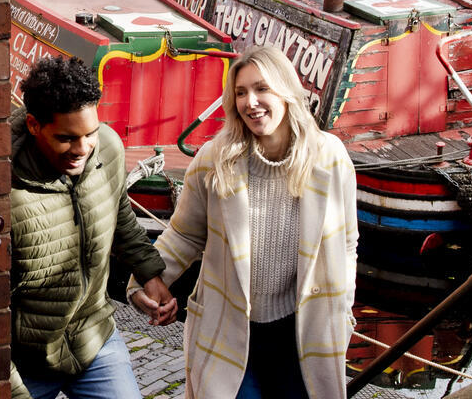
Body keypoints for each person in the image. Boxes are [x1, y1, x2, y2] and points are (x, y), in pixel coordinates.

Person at [147, 46, 359, 399]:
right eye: (241, 93)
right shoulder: (214, 159)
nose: (251, 102)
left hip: (302, 334)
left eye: (262, 89)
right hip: (229, 329)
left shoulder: (330, 157)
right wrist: (145, 281)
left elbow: (348, 243)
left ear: (286, 91)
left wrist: (343, 308)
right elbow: (183, 235)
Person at [9, 57, 175, 399]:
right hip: (24, 360)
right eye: (67, 138)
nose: (83, 149)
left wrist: (150, 274)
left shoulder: (108, 148)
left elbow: (120, 215)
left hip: (93, 338)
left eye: (90, 134)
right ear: (34, 125)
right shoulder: (2, 189)